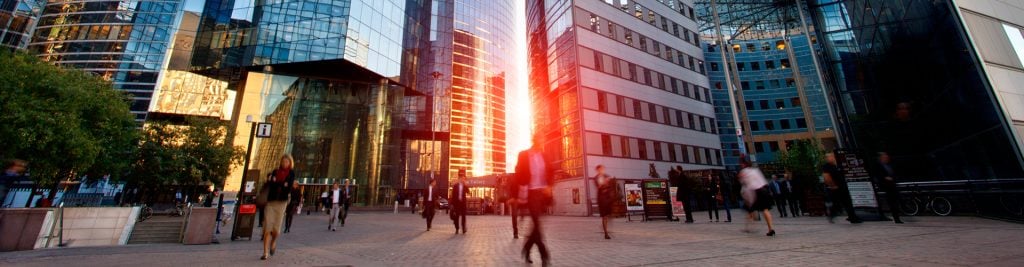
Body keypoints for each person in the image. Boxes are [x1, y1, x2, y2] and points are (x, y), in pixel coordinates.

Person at [516, 134, 556, 265]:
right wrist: (519, 196)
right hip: (531, 193)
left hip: (543, 195)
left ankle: (526, 248)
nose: (542, 142)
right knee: (537, 225)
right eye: (540, 140)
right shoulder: (524, 155)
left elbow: (551, 172)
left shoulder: (544, 156)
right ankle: (544, 255)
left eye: (543, 140)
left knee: (536, 227)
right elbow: (519, 174)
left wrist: (549, 186)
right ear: (534, 140)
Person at [261, 155, 296, 260]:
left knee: (276, 230)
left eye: (287, 162)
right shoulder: (275, 171)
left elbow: (288, 187)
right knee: (267, 227)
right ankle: (265, 252)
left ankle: (274, 241)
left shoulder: (291, 173)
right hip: (271, 202)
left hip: (281, 203)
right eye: (283, 161)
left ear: (290, 163)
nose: (285, 163)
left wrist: (276, 182)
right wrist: (280, 183)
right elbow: (271, 183)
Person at [738, 156, 776, 236]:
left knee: (750, 210)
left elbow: (746, 186)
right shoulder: (755, 170)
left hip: (755, 192)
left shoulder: (743, 172)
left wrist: (748, 199)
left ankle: (749, 227)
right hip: (764, 189)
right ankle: (771, 228)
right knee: (765, 210)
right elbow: (764, 182)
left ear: (743, 164)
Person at [823, 152, 863, 224]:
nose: (831, 158)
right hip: (835, 188)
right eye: (829, 157)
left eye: (832, 156)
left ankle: (853, 218)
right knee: (837, 204)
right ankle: (832, 214)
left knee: (848, 202)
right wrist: (833, 185)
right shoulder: (826, 166)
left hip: (842, 186)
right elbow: (826, 177)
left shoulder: (837, 164)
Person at [871, 152, 904, 224]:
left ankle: (899, 213)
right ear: (880, 158)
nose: (886, 158)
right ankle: (896, 217)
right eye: (884, 157)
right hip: (886, 186)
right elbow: (877, 175)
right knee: (892, 201)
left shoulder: (889, 165)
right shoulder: (878, 166)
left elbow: (893, 174)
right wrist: (885, 178)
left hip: (892, 185)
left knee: (896, 200)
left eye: (887, 157)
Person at [593, 165, 617, 239]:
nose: (602, 170)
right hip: (602, 199)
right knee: (604, 216)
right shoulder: (596, 178)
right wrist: (604, 183)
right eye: (600, 169)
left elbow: (611, 186)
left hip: (608, 198)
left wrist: (610, 183)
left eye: (603, 169)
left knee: (609, 215)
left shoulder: (607, 176)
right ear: (598, 170)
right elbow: (599, 187)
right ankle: (606, 234)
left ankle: (604, 227)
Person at [451, 169, 469, 234]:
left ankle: (463, 228)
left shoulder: (465, 186)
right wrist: (452, 204)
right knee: (457, 216)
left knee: (464, 216)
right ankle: (457, 228)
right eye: (461, 178)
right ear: (459, 179)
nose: (462, 179)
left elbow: (468, 192)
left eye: (463, 178)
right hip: (457, 203)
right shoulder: (455, 186)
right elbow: (453, 195)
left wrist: (466, 185)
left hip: (463, 203)